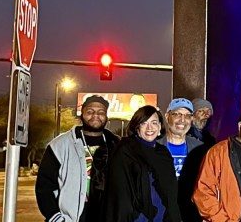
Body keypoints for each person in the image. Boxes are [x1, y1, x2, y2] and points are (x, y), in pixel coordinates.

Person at [36, 94, 120, 222]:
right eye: (90, 111)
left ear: (106, 117)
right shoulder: (60, 144)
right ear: (81, 114)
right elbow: (44, 186)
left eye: (101, 112)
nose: (95, 115)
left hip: (107, 215)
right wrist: (55, 217)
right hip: (72, 217)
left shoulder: (117, 145)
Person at [105, 106, 182, 222]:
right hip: (135, 218)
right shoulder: (124, 151)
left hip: (163, 216)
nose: (149, 128)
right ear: (137, 127)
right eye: (143, 123)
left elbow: (171, 193)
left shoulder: (163, 153)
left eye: (154, 123)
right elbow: (118, 194)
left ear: (160, 126)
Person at [159, 97, 203, 178]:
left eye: (187, 115)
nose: (182, 120)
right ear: (167, 116)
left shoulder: (200, 148)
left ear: (192, 119)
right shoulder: (154, 147)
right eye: (177, 114)